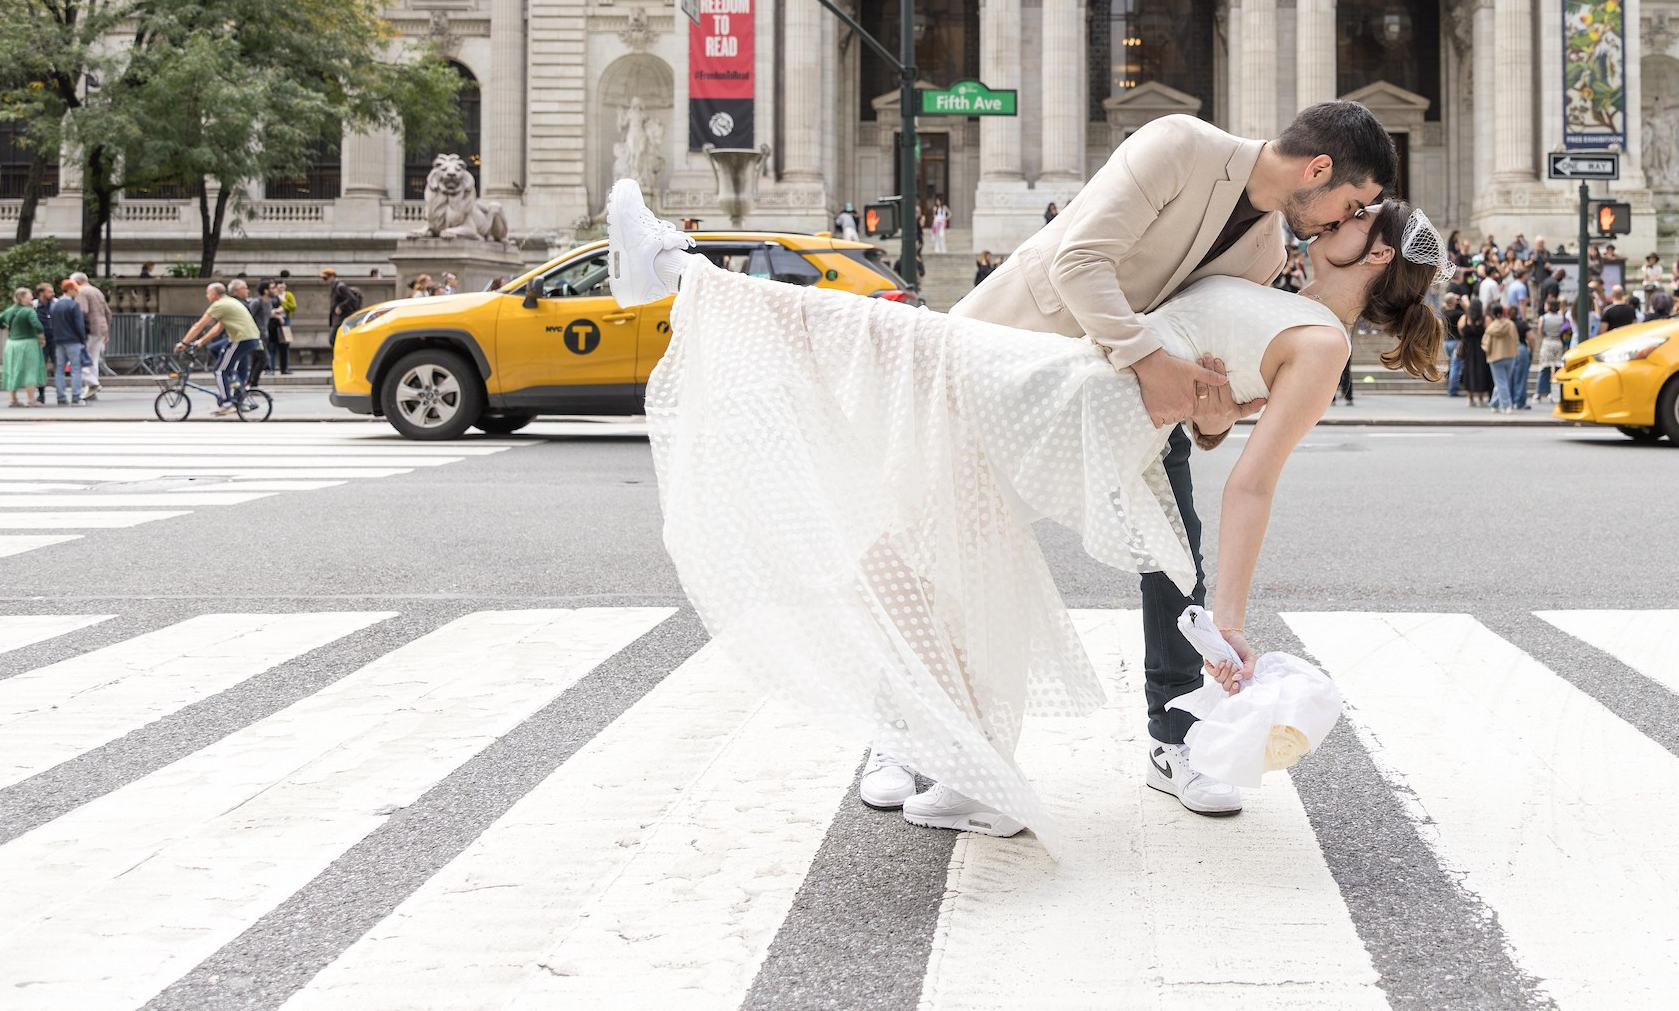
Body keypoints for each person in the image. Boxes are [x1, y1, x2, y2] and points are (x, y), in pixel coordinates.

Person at [619, 100, 1395, 837]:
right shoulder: (1180, 145)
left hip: (1115, 397)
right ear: (1318, 168)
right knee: (916, 536)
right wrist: (1153, 362)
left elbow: (1205, 373)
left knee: (1175, 548)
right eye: (1351, 204)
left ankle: (1176, 734)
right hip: (1016, 346)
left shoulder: (1263, 250)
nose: (1344, 222)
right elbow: (1078, 262)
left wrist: (1213, 408)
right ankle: (904, 729)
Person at [182, 281, 261, 417]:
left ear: (214, 294)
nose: (207, 296)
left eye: (207, 293)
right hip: (250, 339)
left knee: (219, 371)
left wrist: (184, 342)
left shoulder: (219, 305)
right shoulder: (230, 302)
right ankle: (234, 384)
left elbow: (198, 326)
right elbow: (217, 329)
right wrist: (201, 341)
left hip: (241, 339)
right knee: (217, 350)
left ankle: (227, 404)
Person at [0, 287, 45, 409]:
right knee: (30, 370)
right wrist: (41, 336)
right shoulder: (29, 311)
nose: (32, 297)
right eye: (29, 295)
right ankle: (31, 399)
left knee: (13, 370)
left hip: (12, 344)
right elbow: (37, 325)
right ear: (22, 298)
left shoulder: (9, 310)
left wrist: (6, 327)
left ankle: (13, 399)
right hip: (28, 343)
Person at [47, 280, 90, 406]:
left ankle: (61, 397)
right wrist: (83, 339)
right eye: (75, 289)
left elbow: (51, 324)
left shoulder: (54, 305)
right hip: (73, 340)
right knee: (76, 369)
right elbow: (79, 325)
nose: (77, 292)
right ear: (70, 290)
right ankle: (76, 397)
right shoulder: (74, 305)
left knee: (59, 369)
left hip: (59, 340)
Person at [68, 271, 110, 399]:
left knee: (81, 358)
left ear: (77, 282)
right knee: (93, 360)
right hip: (101, 328)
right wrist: (106, 330)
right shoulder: (97, 291)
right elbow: (107, 311)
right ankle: (92, 391)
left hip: (89, 329)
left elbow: (82, 310)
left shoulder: (81, 291)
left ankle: (93, 384)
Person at [1483, 300, 1520, 411]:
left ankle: (1506, 405)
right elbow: (1516, 340)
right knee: (1503, 382)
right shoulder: (1510, 324)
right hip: (1510, 355)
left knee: (1500, 382)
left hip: (1495, 357)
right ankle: (1494, 404)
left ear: (1493, 314)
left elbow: (1485, 344)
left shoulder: (1491, 328)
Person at [1457, 297, 1492, 408]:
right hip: (1481, 350)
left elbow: (1460, 330)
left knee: (1468, 372)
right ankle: (1480, 398)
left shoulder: (1464, 318)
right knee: (1481, 372)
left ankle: (1470, 398)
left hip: (1468, 350)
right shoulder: (1485, 319)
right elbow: (1489, 332)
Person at [324, 268, 365, 333]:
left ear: (332, 276)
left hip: (341, 319)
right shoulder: (334, 287)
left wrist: (340, 306)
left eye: (326, 278)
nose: (325, 281)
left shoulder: (340, 287)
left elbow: (352, 298)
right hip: (338, 319)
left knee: (332, 339)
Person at [1442, 289, 1466, 396]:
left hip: (1446, 342)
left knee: (1452, 364)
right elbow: (1467, 312)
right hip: (1456, 342)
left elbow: (1445, 303)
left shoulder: (1443, 312)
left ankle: (1452, 386)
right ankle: (1452, 390)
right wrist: (1461, 302)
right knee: (1455, 365)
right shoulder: (1458, 314)